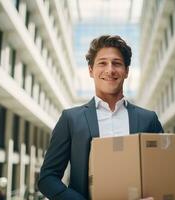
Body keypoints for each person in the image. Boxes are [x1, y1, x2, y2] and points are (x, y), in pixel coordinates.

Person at [38, 35, 163, 200]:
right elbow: (47, 178)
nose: (110, 70)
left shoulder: (148, 119)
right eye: (102, 63)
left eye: (117, 63)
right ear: (91, 70)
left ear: (126, 71)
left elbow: (163, 171)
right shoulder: (71, 119)